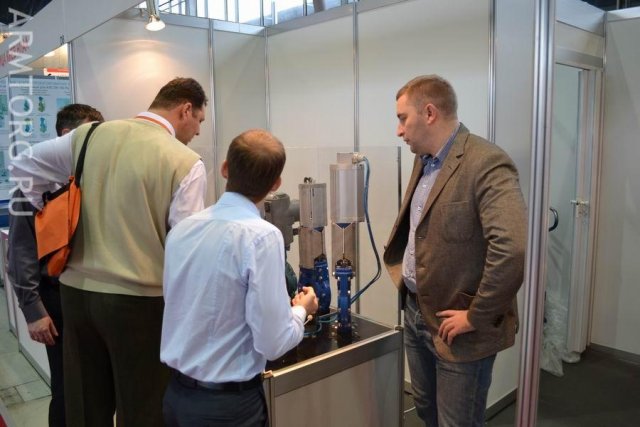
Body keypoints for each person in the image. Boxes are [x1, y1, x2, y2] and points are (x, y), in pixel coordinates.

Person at [10, 77, 208, 427]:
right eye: (199, 121)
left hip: (76, 296)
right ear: (185, 109)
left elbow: (23, 166)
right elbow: (186, 252)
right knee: (142, 408)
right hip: (139, 303)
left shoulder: (89, 135)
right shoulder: (185, 161)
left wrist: (52, 205)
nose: (198, 131)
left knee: (85, 406)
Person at [383, 75, 527, 427]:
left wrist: (476, 316)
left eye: (403, 118)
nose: (399, 131)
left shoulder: (487, 162)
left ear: (429, 113)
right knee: (427, 411)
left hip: (459, 328)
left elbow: (511, 248)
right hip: (416, 312)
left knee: (457, 421)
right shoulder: (424, 160)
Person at [161, 129, 319, 426]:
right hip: (228, 408)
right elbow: (274, 342)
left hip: (176, 398)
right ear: (275, 184)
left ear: (224, 168)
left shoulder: (181, 230)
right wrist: (302, 310)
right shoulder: (262, 237)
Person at [8, 103, 104, 427]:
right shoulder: (33, 184)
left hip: (95, 298)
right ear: (66, 136)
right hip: (57, 300)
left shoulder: (92, 179)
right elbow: (20, 252)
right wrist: (33, 310)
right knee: (68, 388)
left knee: (97, 388)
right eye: (90, 135)